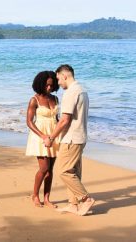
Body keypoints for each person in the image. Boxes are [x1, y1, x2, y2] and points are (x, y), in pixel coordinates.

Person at [45, 64, 95, 216]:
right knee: (73, 171)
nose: (58, 83)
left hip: (72, 138)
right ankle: (73, 204)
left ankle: (85, 199)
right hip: (81, 136)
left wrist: (51, 137)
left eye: (58, 79)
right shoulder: (82, 90)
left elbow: (65, 120)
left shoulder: (71, 93)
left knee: (64, 171)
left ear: (64, 75)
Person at [24, 70, 60, 208]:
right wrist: (43, 136)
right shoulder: (35, 100)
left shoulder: (55, 99)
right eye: (46, 85)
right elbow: (29, 122)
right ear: (40, 84)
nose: (49, 88)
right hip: (40, 136)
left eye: (51, 85)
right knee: (44, 168)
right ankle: (35, 195)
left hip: (53, 135)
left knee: (50, 170)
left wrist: (57, 135)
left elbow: (56, 119)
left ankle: (47, 198)